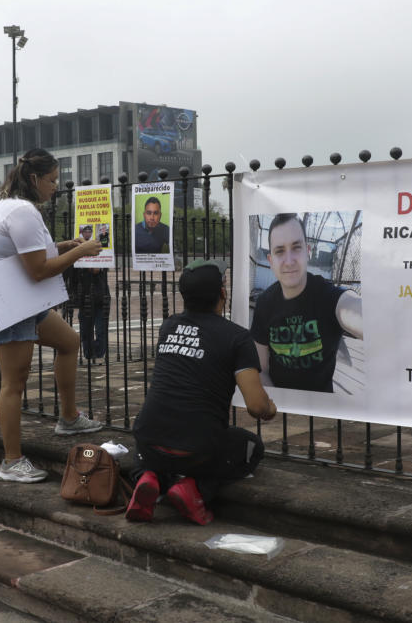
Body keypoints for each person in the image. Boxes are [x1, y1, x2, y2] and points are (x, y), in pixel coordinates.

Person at [0, 148, 105, 484]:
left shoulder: (7, 204)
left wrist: (62, 245)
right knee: (14, 384)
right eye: (51, 180)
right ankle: (12, 461)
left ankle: (68, 417)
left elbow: (27, 253)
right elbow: (38, 271)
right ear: (34, 179)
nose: (55, 187)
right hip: (9, 306)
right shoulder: (22, 211)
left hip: (16, 299)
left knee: (69, 340)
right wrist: (81, 251)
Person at [127, 258, 277, 525]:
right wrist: (270, 408)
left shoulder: (168, 327)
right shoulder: (237, 337)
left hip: (149, 440)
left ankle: (148, 478)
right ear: (222, 293)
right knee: (251, 448)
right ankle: (195, 490)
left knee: (153, 450)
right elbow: (256, 405)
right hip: (197, 451)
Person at [250, 213, 363, 393]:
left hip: (323, 411)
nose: (289, 261)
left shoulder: (327, 295)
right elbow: (261, 370)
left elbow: (353, 310)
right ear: (270, 260)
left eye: (296, 247)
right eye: (279, 251)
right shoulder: (264, 304)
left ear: (308, 251)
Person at [75, 267, 110, 365]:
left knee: (101, 329)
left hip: (101, 296)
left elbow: (96, 269)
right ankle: (89, 355)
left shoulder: (102, 257)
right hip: (84, 296)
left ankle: (98, 355)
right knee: (86, 330)